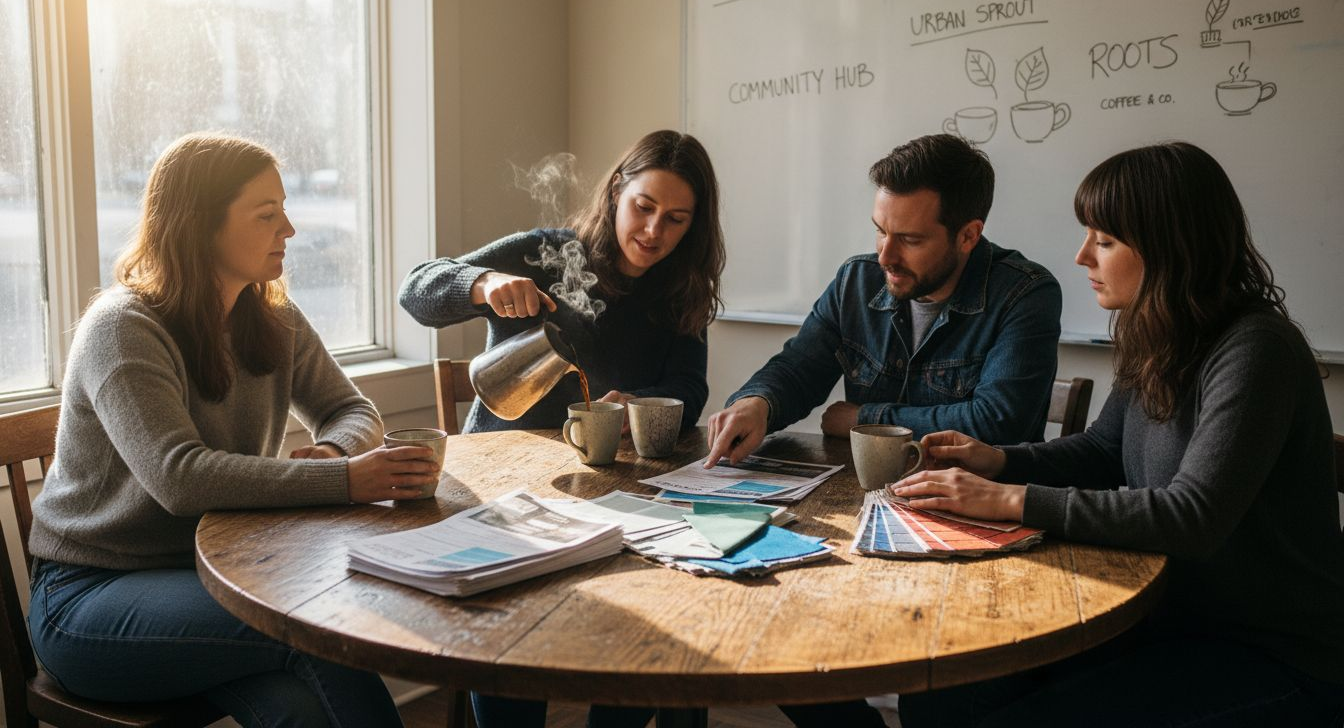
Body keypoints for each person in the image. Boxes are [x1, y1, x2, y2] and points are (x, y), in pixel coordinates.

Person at [891, 141, 1344, 727]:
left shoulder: (1257, 349)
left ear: (1170, 247)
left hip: (1273, 654)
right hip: (1166, 617)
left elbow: (1192, 517)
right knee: (940, 693)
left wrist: (1009, 499)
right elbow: (1104, 450)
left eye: (1104, 241)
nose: (1082, 255)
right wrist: (998, 460)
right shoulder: (1157, 333)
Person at [26, 133, 441, 727]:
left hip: (220, 575)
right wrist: (345, 481)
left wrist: (332, 451)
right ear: (201, 226)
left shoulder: (272, 316)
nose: (289, 229)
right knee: (314, 628)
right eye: (267, 214)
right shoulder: (122, 328)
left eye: (284, 210)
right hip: (89, 598)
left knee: (304, 703)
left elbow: (353, 411)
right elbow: (179, 478)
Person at [399, 129, 725, 728]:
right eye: (644, 207)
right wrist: (480, 283)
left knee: (655, 625)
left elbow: (690, 389)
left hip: (608, 494)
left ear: (694, 226)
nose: (654, 231)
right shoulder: (549, 252)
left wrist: (642, 403)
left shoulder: (677, 291)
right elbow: (416, 289)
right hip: (504, 490)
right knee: (513, 635)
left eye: (676, 220)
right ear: (617, 191)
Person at [705, 133, 1062, 469]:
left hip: (975, 500)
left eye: (910, 240)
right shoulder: (856, 282)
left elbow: (998, 423)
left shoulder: (1025, 294)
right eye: (880, 231)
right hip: (867, 491)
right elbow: (798, 368)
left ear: (968, 236)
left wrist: (866, 419)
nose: (885, 257)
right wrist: (758, 403)